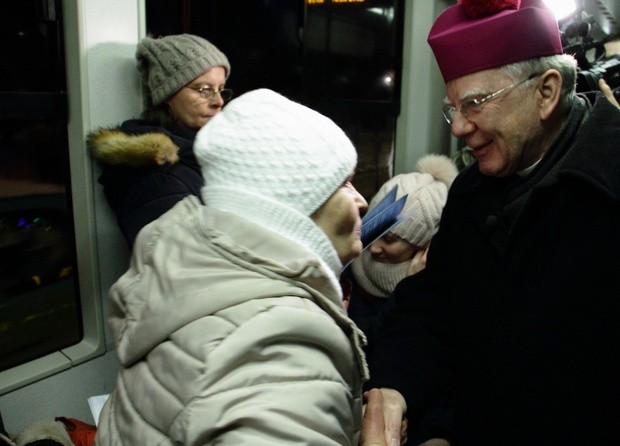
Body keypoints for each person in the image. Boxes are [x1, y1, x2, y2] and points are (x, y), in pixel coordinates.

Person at [367, 0, 620, 445]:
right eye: (453, 107)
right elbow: (433, 313)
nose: (459, 128)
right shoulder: (472, 193)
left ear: (546, 91)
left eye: (475, 104)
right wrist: (395, 387)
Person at [94, 87, 404, 445]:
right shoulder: (282, 357)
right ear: (294, 205)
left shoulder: (186, 271)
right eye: (344, 183)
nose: (362, 201)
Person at [88, 34, 231, 247]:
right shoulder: (156, 176)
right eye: (204, 90)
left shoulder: (206, 152)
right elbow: (186, 262)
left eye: (220, 89)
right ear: (168, 95)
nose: (218, 102)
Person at [347, 154, 458, 352]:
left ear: (422, 242)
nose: (373, 248)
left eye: (389, 239)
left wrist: (411, 288)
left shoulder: (442, 286)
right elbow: (363, 346)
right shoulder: (351, 268)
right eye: (374, 230)